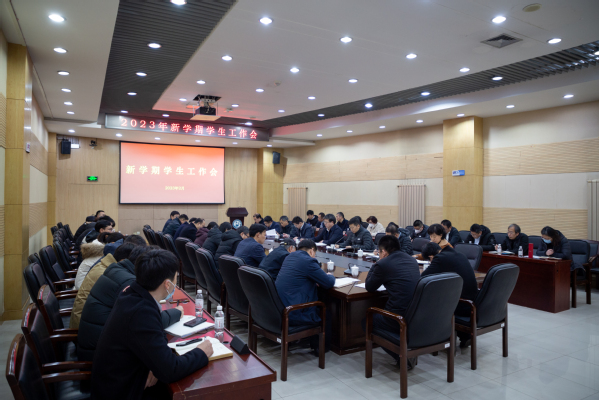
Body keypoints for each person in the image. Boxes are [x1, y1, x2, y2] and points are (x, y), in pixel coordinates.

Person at [91, 249, 213, 400]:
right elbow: (170, 370)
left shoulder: (131, 294)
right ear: (167, 284)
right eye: (176, 278)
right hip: (121, 392)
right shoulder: (141, 312)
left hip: (121, 381)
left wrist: (155, 366)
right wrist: (201, 352)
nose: (176, 284)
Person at [78, 245, 183, 361]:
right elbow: (148, 321)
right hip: (98, 356)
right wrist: (176, 313)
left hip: (96, 346)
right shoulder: (128, 284)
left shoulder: (116, 270)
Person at [363, 235, 421, 368]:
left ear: (383, 252)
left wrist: (376, 264)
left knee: (367, 321)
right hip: (416, 315)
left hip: (398, 318)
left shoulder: (383, 264)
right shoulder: (412, 260)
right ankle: (404, 346)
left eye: (379, 252)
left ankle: (402, 355)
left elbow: (369, 286)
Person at [275, 239, 335, 353]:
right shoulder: (308, 261)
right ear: (312, 251)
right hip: (293, 312)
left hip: (280, 308)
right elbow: (328, 283)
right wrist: (330, 275)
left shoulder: (289, 257)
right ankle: (321, 348)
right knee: (325, 312)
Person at [421, 241, 478, 347]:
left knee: (430, 301)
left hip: (462, 305)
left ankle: (435, 338)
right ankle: (464, 336)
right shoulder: (458, 254)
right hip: (473, 302)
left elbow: (423, 278)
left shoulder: (439, 258)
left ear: (431, 257)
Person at [70, 242, 135, 329]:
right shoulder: (109, 273)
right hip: (83, 326)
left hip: (86, 320)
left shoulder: (104, 265)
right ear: (124, 260)